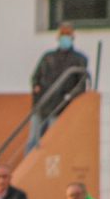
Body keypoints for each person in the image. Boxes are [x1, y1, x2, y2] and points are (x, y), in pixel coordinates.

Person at [27, 22, 88, 152]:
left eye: (67, 35)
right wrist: (36, 88)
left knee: (53, 141)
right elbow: (35, 78)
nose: (64, 38)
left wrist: (68, 97)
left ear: (72, 37)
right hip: (41, 105)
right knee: (33, 141)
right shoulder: (48, 57)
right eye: (62, 35)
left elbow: (81, 84)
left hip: (60, 107)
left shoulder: (79, 59)